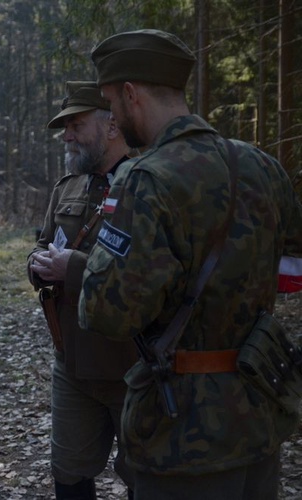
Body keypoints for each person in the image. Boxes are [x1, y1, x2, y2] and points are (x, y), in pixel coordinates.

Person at [79, 29, 302, 499]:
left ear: (131, 93)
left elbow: (107, 312)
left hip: (182, 433)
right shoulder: (263, 167)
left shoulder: (147, 178)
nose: (114, 118)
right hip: (259, 412)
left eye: (112, 103)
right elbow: (291, 273)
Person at [27, 81, 137, 499]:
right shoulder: (66, 188)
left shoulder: (145, 186)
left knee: (143, 474)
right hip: (72, 362)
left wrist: (72, 268)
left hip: (133, 364)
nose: (66, 135)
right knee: (69, 472)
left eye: (75, 124)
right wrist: (37, 266)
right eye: (64, 127)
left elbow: (150, 272)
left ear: (111, 125)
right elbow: (43, 244)